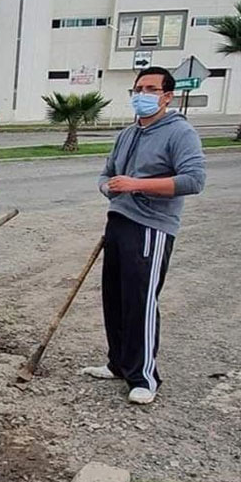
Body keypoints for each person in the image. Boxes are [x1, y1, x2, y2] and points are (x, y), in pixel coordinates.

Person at [81, 66, 206, 405]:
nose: (142, 95)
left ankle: (144, 376)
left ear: (167, 96)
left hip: (152, 226)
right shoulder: (128, 133)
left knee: (140, 301)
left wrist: (136, 184)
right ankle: (119, 363)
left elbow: (193, 180)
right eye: (138, 89)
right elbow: (107, 172)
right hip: (118, 220)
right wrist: (109, 187)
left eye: (150, 89)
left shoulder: (180, 133)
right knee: (115, 297)